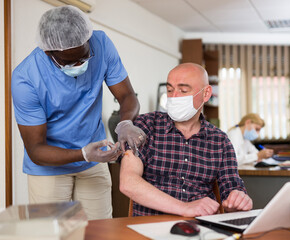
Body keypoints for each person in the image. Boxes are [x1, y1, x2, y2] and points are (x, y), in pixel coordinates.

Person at [11, 6, 146, 220]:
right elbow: (36, 150)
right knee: (53, 235)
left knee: (100, 231)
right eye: (69, 62)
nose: (80, 65)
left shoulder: (100, 44)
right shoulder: (25, 78)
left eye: (84, 56)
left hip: (95, 161)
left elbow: (127, 95)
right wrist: (83, 153)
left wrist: (125, 123)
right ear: (48, 52)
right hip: (49, 166)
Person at [119, 63, 252, 217]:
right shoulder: (145, 126)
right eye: (169, 90)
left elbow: (231, 189)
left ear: (206, 93)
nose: (174, 97)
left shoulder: (220, 141)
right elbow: (128, 182)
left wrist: (238, 200)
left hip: (201, 228)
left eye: (183, 90)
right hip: (149, 226)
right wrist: (184, 208)